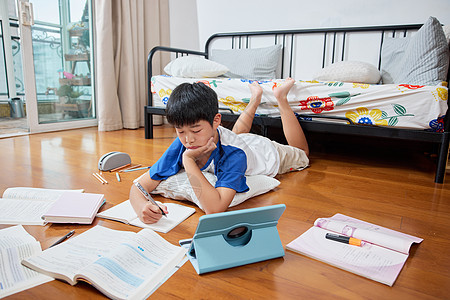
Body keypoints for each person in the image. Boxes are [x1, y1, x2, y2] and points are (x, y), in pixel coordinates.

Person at [129, 77, 309, 223]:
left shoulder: (234, 154)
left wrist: (188, 161)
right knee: (235, 135)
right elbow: (138, 187)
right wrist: (141, 207)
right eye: (180, 131)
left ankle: (281, 97)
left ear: (216, 120)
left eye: (196, 130)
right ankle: (255, 98)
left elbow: (215, 209)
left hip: (267, 152)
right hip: (237, 139)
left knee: (303, 154)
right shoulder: (184, 141)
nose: (188, 139)